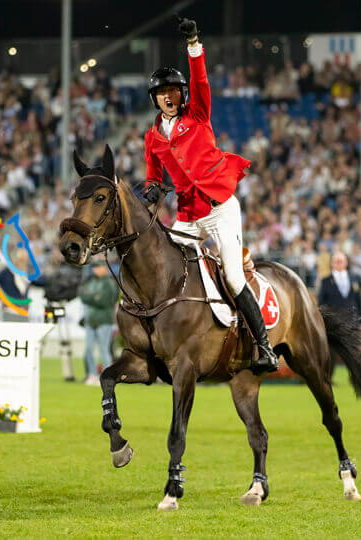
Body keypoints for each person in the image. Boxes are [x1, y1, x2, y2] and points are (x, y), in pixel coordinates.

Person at [142, 16, 278, 374]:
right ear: (155, 99)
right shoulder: (152, 137)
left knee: (233, 276)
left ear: (181, 94)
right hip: (187, 217)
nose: (168, 97)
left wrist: (194, 45)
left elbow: (200, 79)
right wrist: (152, 188)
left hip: (220, 210)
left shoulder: (198, 114)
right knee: (165, 269)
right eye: (162, 93)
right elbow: (151, 177)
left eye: (173, 91)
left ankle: (264, 346)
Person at [77, 260, 119, 386]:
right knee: (89, 349)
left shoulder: (110, 283)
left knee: (104, 350)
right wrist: (94, 297)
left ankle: (107, 376)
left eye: (98, 267)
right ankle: (92, 374)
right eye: (94, 268)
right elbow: (82, 295)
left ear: (104, 268)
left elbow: (105, 301)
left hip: (104, 320)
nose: (95, 270)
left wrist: (91, 297)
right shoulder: (90, 281)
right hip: (90, 320)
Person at [318, 252, 361, 325]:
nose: (338, 263)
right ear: (332, 263)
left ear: (346, 262)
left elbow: (358, 299)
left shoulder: (354, 279)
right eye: (336, 261)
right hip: (334, 323)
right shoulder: (326, 281)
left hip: (352, 321)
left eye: (341, 261)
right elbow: (321, 302)